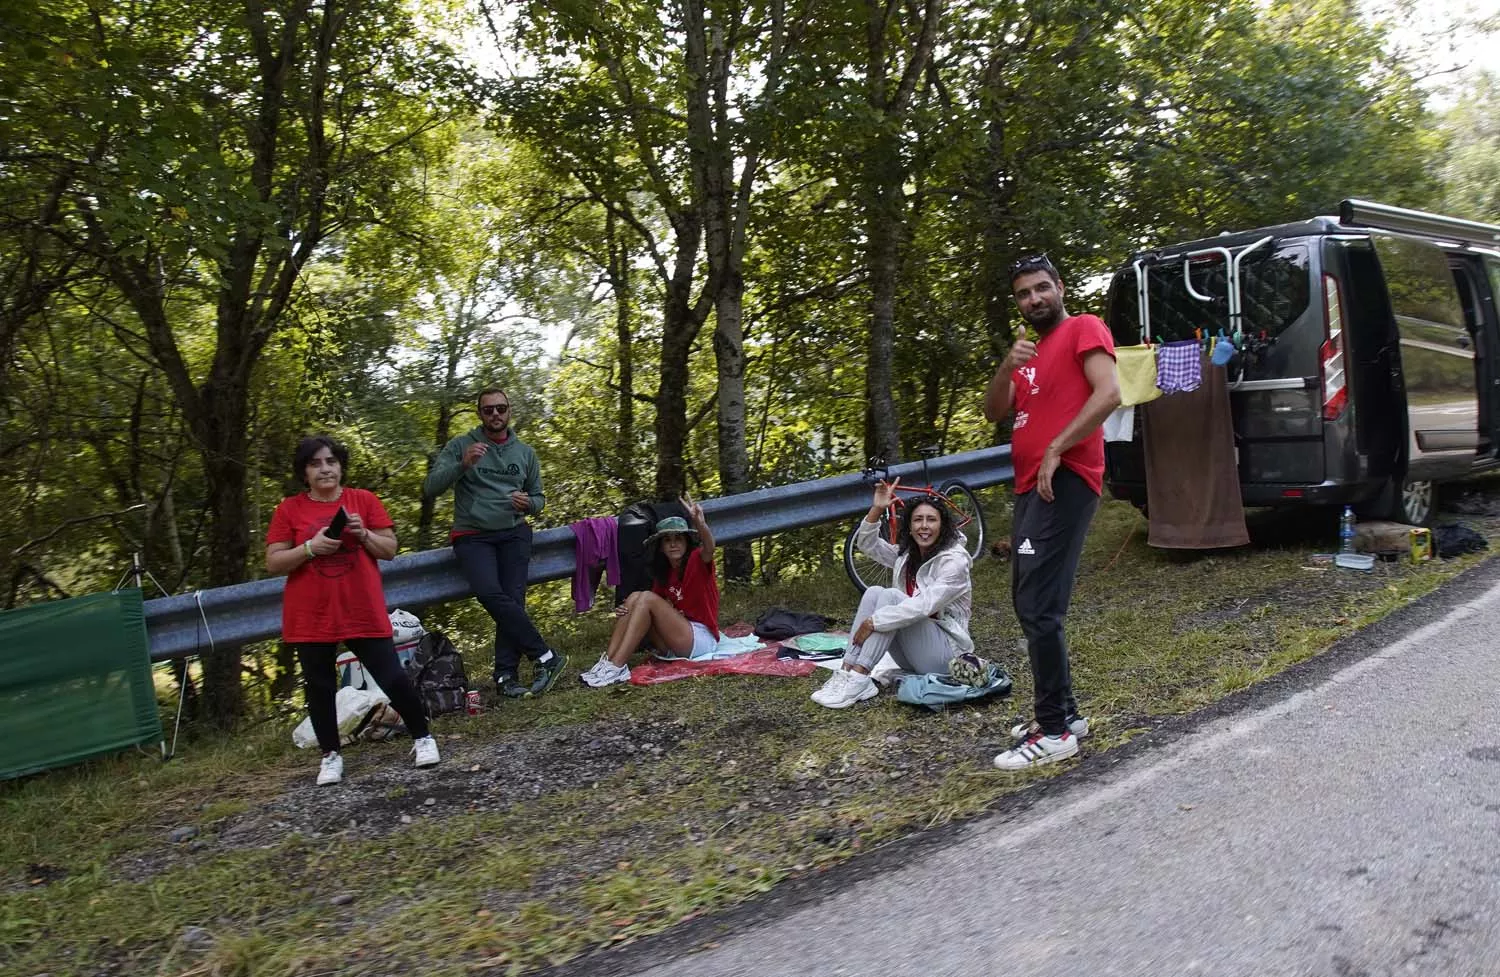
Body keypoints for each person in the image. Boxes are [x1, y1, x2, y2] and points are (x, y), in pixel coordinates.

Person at [984, 253, 1120, 770]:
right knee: (1030, 598)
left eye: (1042, 288)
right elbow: (995, 411)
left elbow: (1109, 393)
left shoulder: (1085, 327)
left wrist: (1058, 446)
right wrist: (1005, 366)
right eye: (1024, 293)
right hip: (1030, 487)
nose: (1034, 299)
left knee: (1037, 602)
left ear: (1060, 288)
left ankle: (1057, 731)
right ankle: (1064, 713)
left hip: (1065, 479)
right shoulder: (1031, 354)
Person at [266, 435, 440, 786]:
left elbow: (389, 549)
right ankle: (330, 757)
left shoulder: (363, 500)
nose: (325, 468)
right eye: (315, 463)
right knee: (319, 687)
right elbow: (273, 562)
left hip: (361, 607)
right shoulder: (289, 509)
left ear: (341, 466)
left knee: (391, 676)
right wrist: (310, 548)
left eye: (330, 461)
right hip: (311, 613)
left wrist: (363, 536)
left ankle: (423, 738)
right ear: (305, 472)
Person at [422, 387, 566, 699]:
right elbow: (431, 486)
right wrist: (463, 463)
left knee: (512, 603)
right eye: (488, 410)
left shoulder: (524, 453)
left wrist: (527, 503)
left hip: (514, 533)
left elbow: (540, 498)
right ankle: (545, 657)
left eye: (501, 408)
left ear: (509, 411)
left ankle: (505, 677)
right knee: (490, 594)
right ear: (480, 414)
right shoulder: (462, 445)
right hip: (473, 536)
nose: (495, 414)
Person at [811, 481, 974, 709]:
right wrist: (877, 509)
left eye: (931, 520)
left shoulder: (954, 561)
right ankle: (846, 672)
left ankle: (860, 676)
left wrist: (874, 621)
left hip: (946, 657)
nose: (924, 526)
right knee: (874, 592)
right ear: (909, 526)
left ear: (943, 526)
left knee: (890, 597)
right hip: (913, 654)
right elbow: (868, 545)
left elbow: (924, 606)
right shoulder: (909, 555)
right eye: (918, 520)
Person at [580, 497, 718, 687]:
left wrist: (700, 524)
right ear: (661, 546)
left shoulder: (696, 560)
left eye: (678, 538)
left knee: (645, 598)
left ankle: (618, 666)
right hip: (676, 640)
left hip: (701, 640)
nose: (673, 544)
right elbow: (647, 609)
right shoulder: (665, 572)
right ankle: (608, 662)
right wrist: (626, 610)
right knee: (635, 597)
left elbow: (709, 548)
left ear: (687, 542)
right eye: (667, 540)